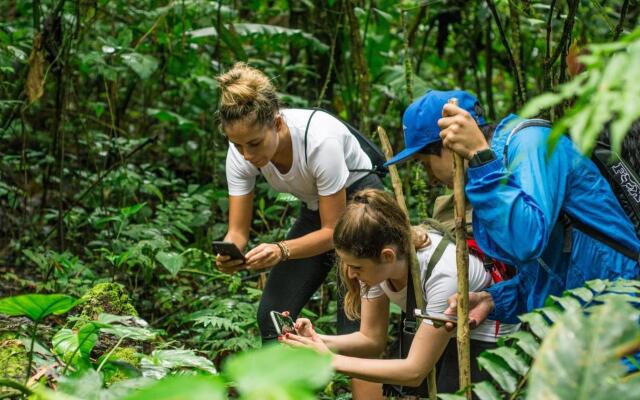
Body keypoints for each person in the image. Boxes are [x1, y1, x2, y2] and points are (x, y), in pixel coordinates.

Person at [383, 89, 640, 326]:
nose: (429, 178)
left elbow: (527, 240)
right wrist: (493, 299)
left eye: (425, 164)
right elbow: (547, 271)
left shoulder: (530, 144)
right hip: (580, 321)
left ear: (449, 145)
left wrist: (480, 159)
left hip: (618, 311)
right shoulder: (500, 168)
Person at [214, 63, 385, 398]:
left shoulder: (319, 139)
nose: (247, 155)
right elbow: (237, 231)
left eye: (254, 143)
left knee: (354, 324)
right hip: (317, 211)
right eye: (238, 146)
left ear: (277, 123)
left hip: (361, 205)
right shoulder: (241, 151)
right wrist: (229, 252)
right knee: (273, 314)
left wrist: (281, 249)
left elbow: (335, 231)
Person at [282, 189, 518, 393]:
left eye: (356, 267)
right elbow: (371, 340)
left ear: (387, 256)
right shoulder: (376, 268)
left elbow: (414, 371)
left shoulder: (445, 273)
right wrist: (316, 341)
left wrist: (329, 360)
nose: (351, 275)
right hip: (439, 328)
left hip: (483, 334)